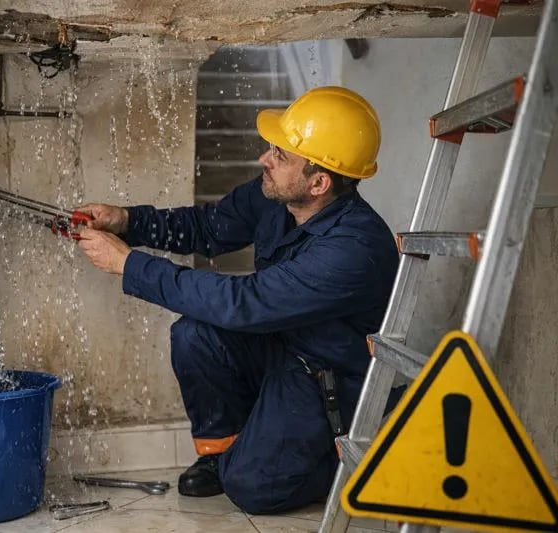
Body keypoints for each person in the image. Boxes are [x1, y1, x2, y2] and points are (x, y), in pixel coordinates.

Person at [76, 86, 399, 514]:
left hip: (326, 381)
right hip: (279, 348)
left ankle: (359, 461)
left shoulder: (355, 248)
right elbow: (207, 228)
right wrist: (128, 221)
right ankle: (221, 456)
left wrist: (129, 265)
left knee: (253, 490)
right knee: (195, 334)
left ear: (319, 182)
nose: (264, 159)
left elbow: (243, 302)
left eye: (280, 155)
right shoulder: (278, 198)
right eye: (272, 148)